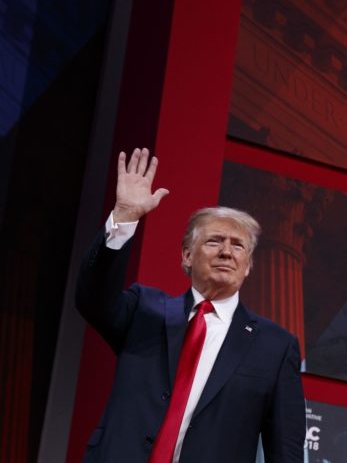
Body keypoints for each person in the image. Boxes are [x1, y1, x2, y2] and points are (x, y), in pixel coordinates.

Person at [76, 148, 304, 462]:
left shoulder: (276, 347)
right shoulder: (144, 309)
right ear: (186, 256)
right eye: (214, 241)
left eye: (237, 246)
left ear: (248, 265)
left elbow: (286, 451)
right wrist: (125, 218)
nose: (226, 252)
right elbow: (91, 298)